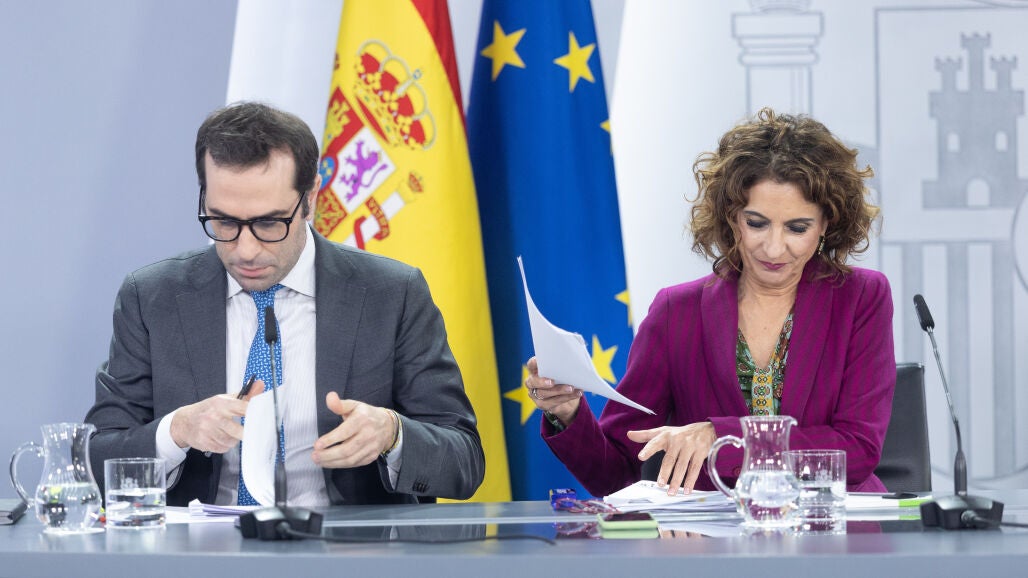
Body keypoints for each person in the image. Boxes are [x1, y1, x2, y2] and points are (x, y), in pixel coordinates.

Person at [85, 102, 484, 507]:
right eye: (224, 222)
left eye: (269, 223)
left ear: (310, 198)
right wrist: (175, 431)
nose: (245, 250)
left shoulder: (392, 294)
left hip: (341, 544)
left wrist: (392, 434)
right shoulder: (152, 298)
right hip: (200, 544)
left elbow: (464, 461)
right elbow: (95, 460)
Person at [525, 107, 895, 497]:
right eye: (756, 223)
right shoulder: (676, 312)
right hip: (713, 532)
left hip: (832, 527)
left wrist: (722, 436)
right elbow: (615, 474)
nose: (774, 247)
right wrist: (567, 413)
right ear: (732, 217)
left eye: (797, 228)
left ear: (826, 224)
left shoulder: (862, 297)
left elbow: (856, 451)